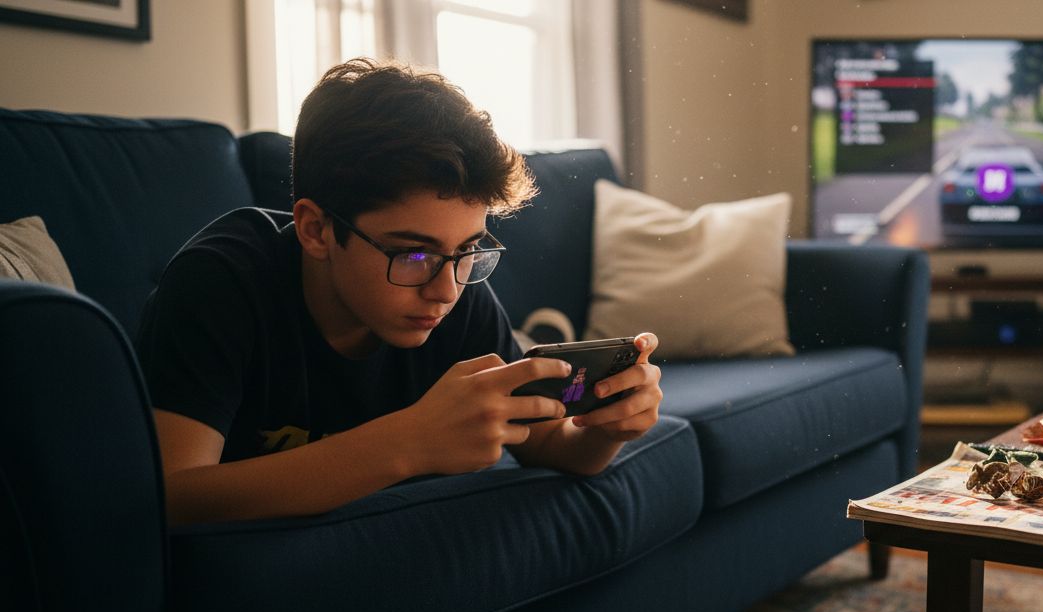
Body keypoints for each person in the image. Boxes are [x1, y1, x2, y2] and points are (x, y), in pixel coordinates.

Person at [136, 58, 662, 525]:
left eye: (468, 251)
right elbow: (171, 495)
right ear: (316, 231)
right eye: (413, 254)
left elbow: (550, 444)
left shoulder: (456, 285)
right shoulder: (223, 279)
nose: (444, 290)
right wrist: (410, 443)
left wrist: (607, 428)